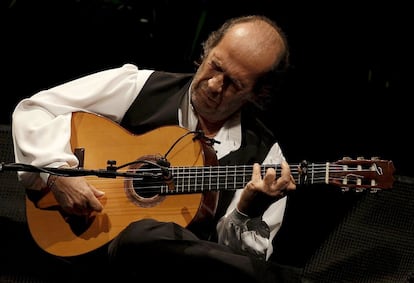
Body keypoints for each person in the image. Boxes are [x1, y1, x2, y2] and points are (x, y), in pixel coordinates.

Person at [12, 15, 302, 282]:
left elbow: (241, 264)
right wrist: (58, 173)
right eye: (215, 66)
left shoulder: (266, 159)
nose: (214, 85)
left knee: (143, 237)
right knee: (138, 235)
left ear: (258, 93)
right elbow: (34, 110)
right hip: (84, 242)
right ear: (207, 49)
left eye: (233, 84)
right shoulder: (141, 86)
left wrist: (246, 212)